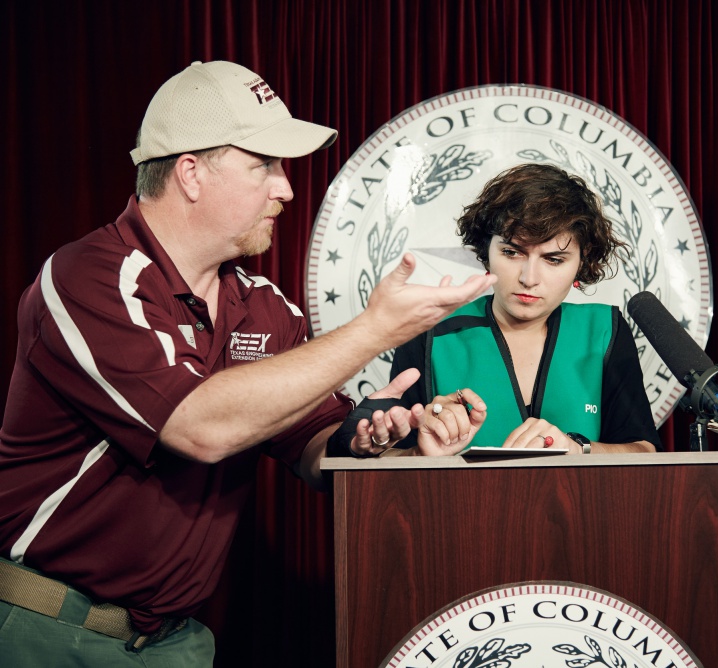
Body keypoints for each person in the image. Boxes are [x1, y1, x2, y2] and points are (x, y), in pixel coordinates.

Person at [0, 60, 494, 665]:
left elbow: (312, 449)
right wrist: (376, 328)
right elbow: (199, 428)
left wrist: (377, 440)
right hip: (52, 631)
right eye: (263, 166)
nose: (285, 188)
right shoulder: (91, 275)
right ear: (190, 173)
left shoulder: (263, 306)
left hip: (176, 642)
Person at [388, 163, 661, 456]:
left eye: (554, 259)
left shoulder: (605, 330)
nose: (528, 278)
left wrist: (578, 449)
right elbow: (383, 461)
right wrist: (420, 454)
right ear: (486, 252)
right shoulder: (429, 332)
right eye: (512, 252)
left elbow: (644, 450)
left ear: (581, 263)